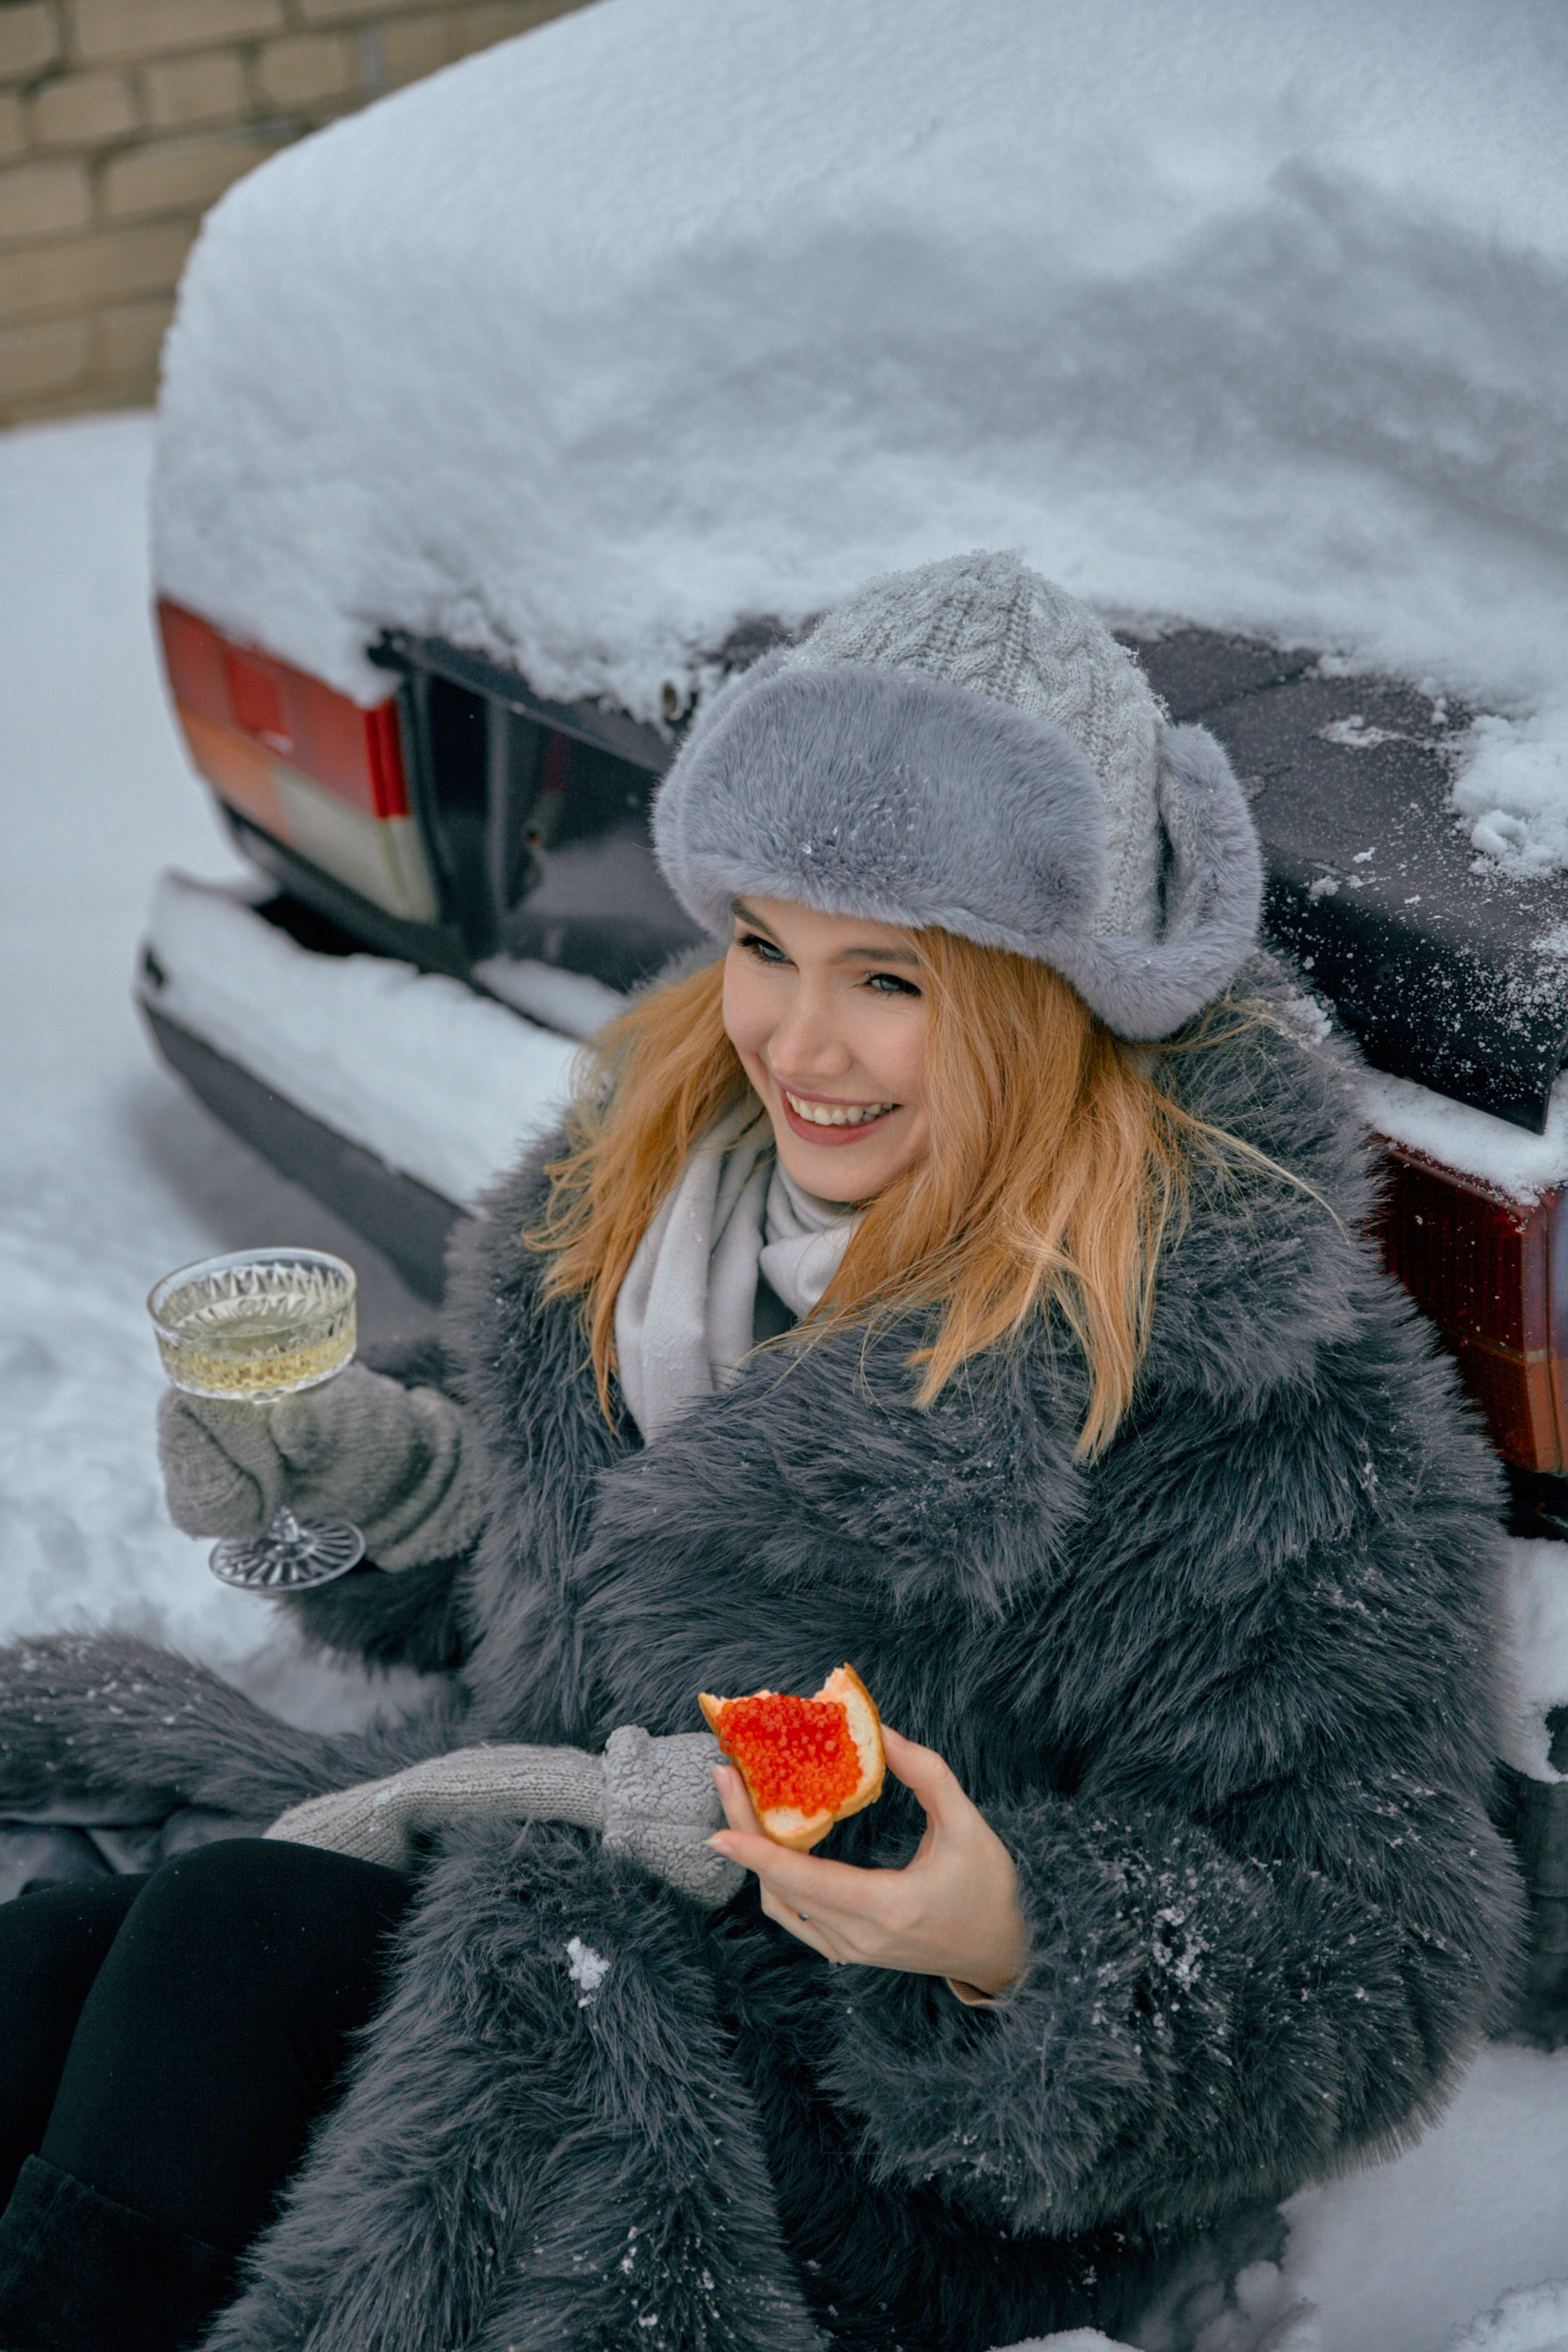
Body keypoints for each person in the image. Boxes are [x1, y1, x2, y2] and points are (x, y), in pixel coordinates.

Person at [0, 553, 1521, 2352]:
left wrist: (1015, 1937)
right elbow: (596, 1583)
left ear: (1056, 992)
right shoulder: (671, 1189)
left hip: (877, 2113)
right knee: (68, 1973)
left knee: (225, 1952)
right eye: (763, 946)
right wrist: (385, 1478)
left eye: (889, 976)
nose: (798, 1043)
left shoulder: (1250, 1392)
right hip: (577, 1871)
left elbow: (1380, 1948)